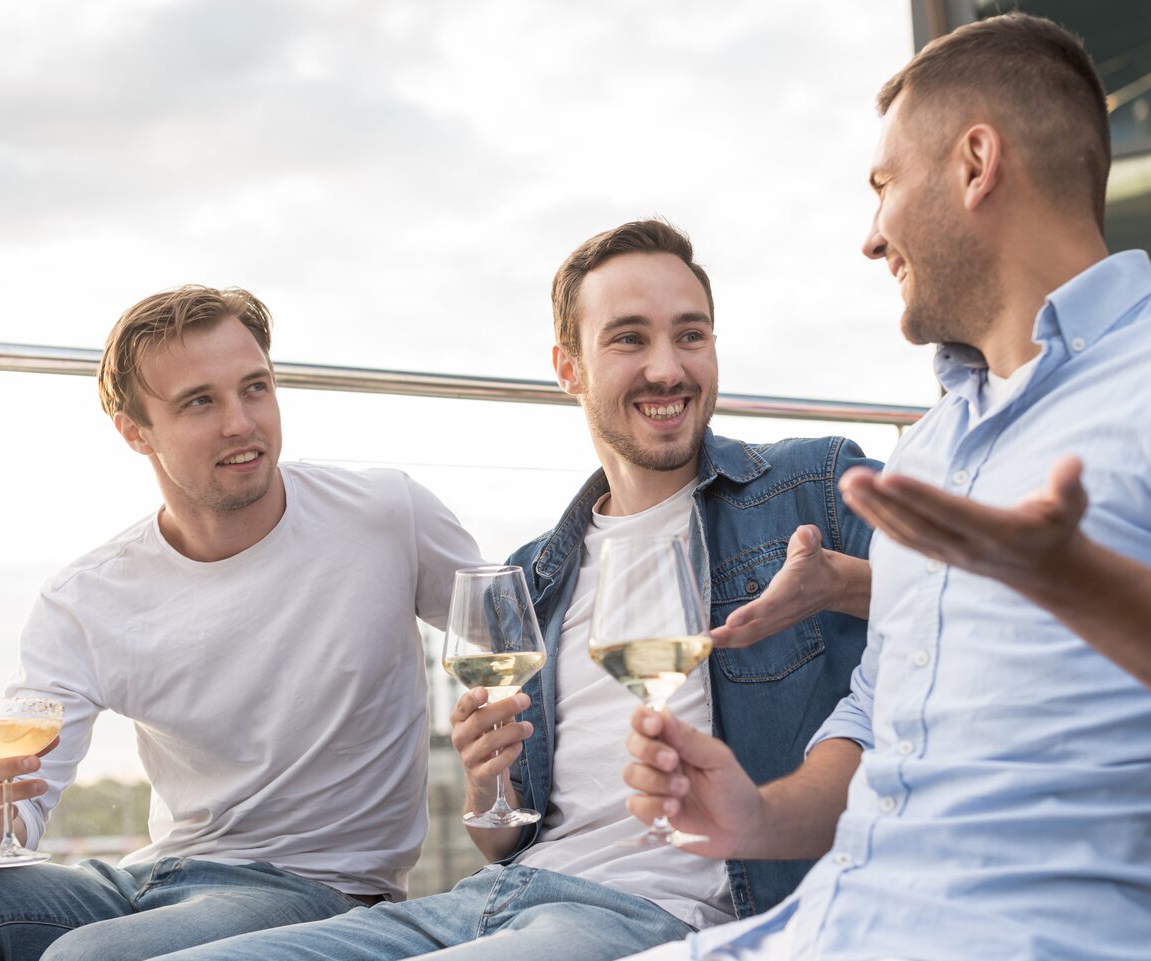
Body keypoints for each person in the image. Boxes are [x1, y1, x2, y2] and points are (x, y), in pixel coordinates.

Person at [620, 13, 1151, 961]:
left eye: (883, 185)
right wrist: (753, 815)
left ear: (975, 164)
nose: (871, 238)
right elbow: (882, 723)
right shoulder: (925, 454)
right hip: (824, 928)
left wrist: (1078, 584)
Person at [147, 221, 879, 961]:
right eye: (629, 339)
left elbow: (950, 602)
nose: (667, 369)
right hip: (493, 896)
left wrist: (848, 585)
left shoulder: (813, 486)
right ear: (568, 368)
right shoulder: (533, 577)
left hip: (653, 912)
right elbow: (504, 840)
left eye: (690, 336)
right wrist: (484, 778)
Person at [0, 286, 485, 961]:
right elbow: (18, 803)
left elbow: (519, 635)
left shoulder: (386, 515)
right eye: (199, 402)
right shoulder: (87, 597)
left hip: (319, 890)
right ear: (135, 431)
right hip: (153, 877)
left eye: (255, 388)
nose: (241, 422)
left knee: (94, 956)